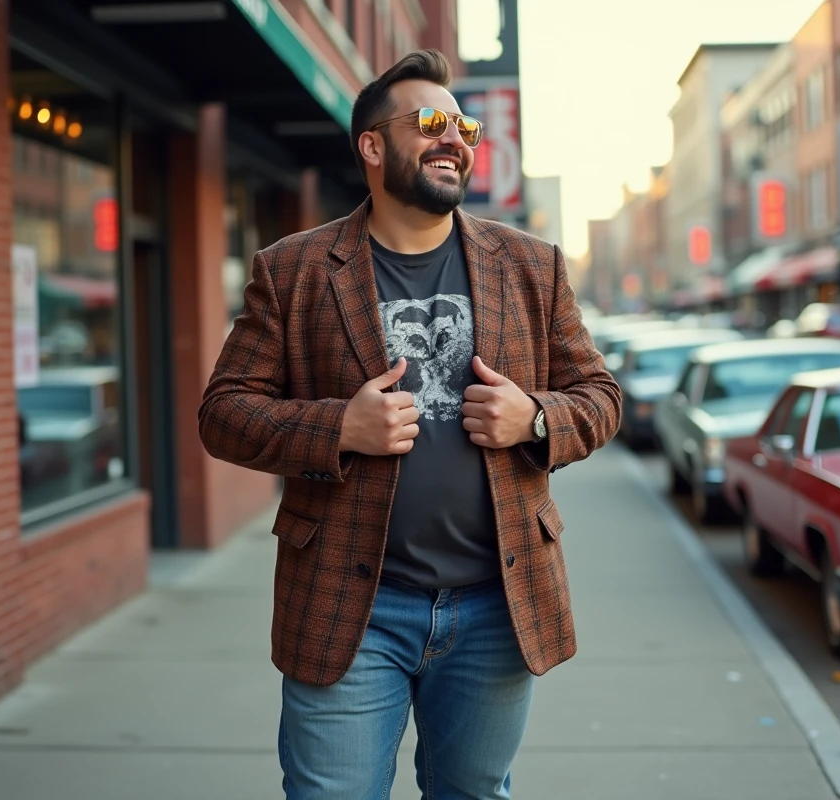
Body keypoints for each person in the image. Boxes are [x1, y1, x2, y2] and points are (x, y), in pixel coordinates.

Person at [198, 49, 620, 799]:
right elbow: (223, 415)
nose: (455, 137)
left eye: (465, 125)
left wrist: (536, 419)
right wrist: (337, 429)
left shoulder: (531, 266)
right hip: (351, 606)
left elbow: (600, 395)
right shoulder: (293, 270)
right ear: (372, 145)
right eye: (431, 121)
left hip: (497, 601)